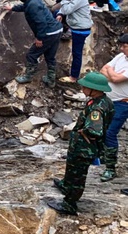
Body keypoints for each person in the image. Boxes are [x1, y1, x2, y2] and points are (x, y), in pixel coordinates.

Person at [49, 72, 114, 215]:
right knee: (71, 168)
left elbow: (95, 130)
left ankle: (69, 204)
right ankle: (66, 185)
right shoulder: (103, 101)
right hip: (80, 146)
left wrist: (82, 132)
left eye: (85, 86)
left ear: (94, 89)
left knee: (77, 176)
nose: (82, 88)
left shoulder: (97, 108)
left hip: (84, 148)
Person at [3, 0, 63, 87]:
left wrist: (40, 38)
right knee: (50, 56)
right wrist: (12, 8)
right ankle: (51, 79)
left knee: (32, 55)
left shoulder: (33, 5)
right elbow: (25, 7)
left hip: (48, 33)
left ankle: (28, 76)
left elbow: (41, 23)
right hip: (57, 30)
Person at [99, 34, 128, 182]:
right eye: (121, 46)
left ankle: (111, 169)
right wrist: (113, 75)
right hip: (109, 100)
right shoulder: (121, 57)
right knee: (102, 129)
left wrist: (112, 75)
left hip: (123, 103)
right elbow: (103, 69)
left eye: (125, 46)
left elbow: (114, 78)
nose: (122, 49)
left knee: (110, 133)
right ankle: (103, 156)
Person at [56, 0, 92, 83]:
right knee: (55, 13)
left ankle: (74, 77)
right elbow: (64, 9)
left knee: (77, 53)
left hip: (80, 28)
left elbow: (67, 8)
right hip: (76, 24)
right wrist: (60, 13)